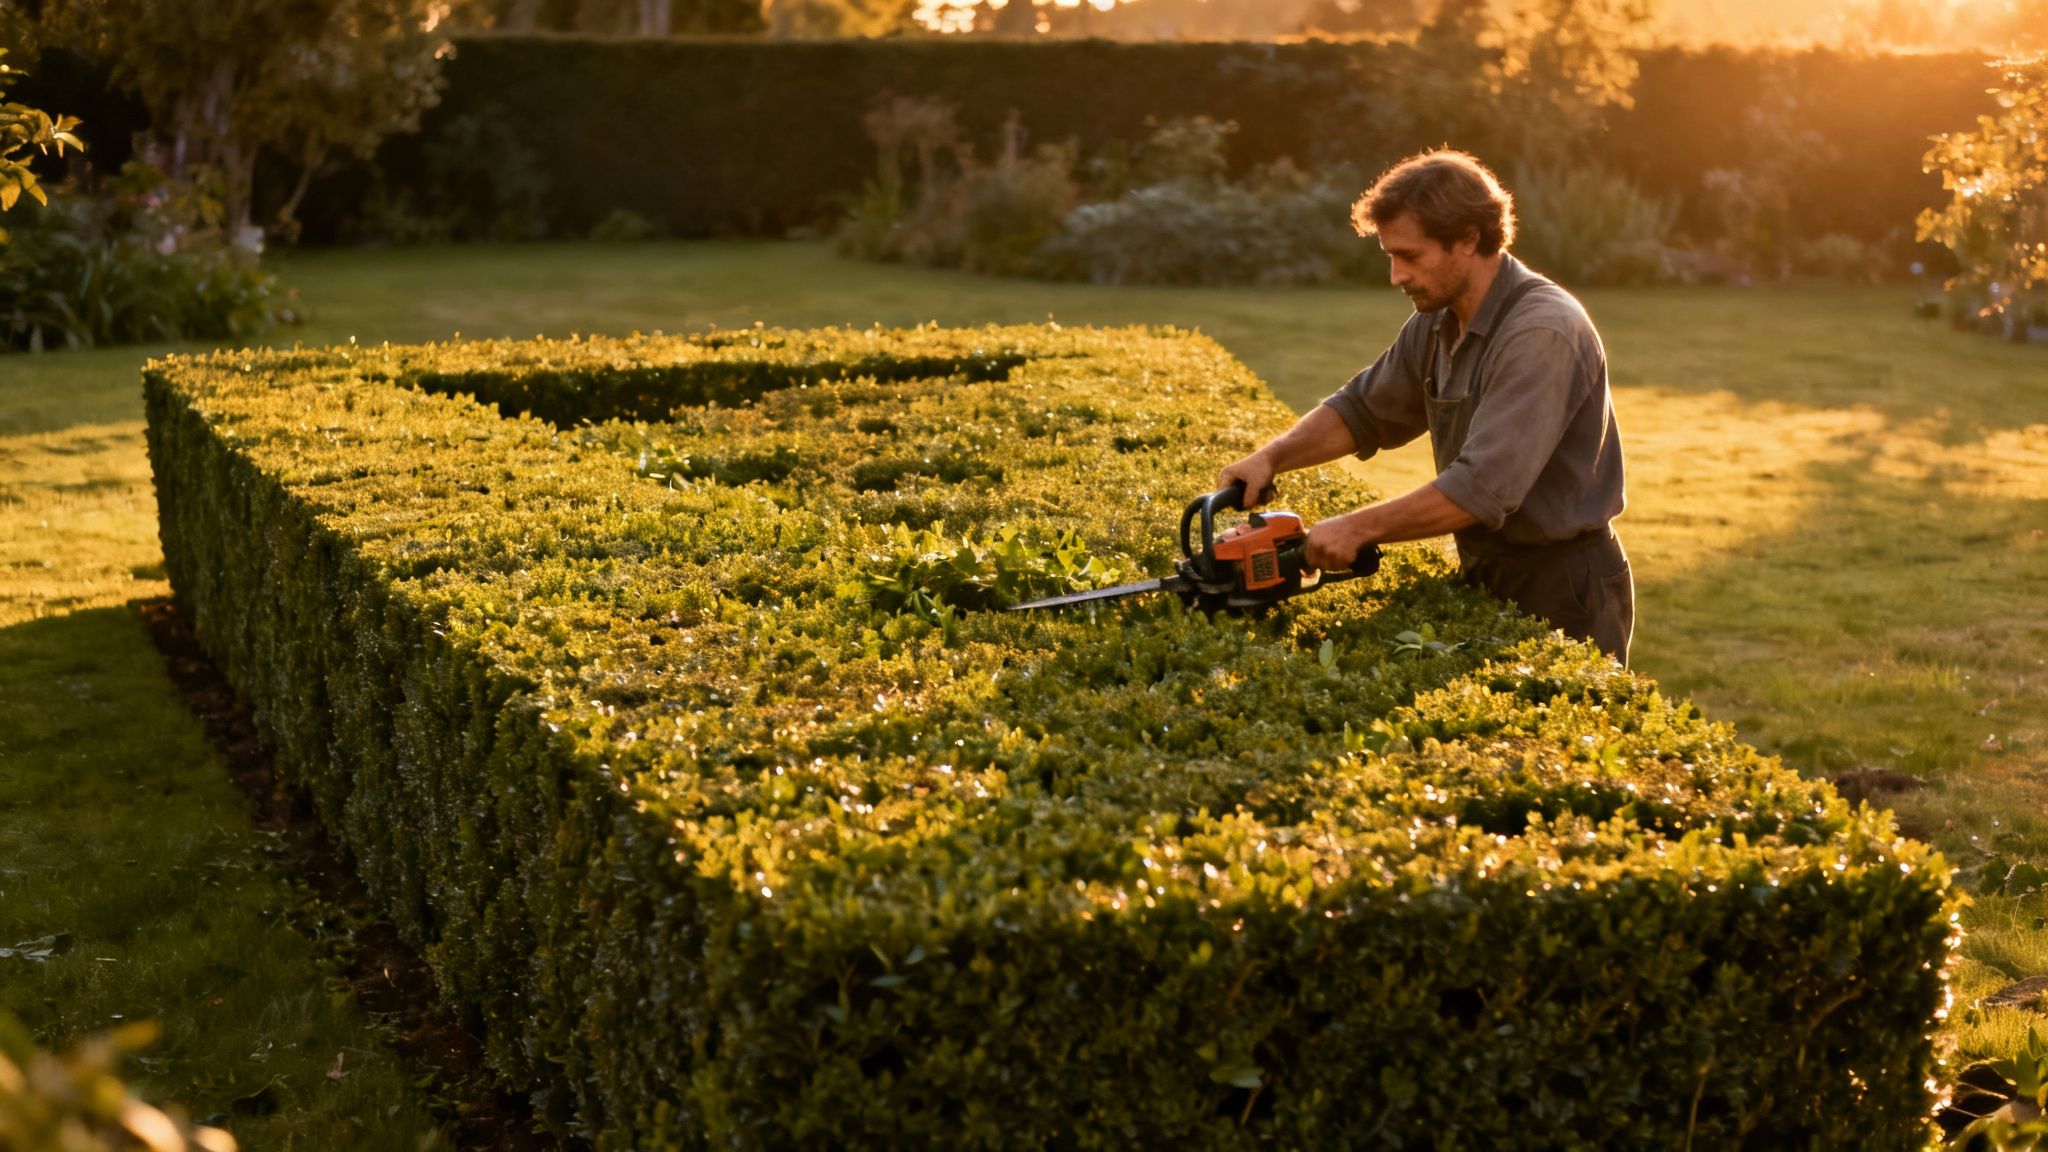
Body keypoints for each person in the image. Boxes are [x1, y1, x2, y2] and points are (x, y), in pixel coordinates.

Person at [1217, 148, 1634, 664]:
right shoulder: (1438, 320)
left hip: (1565, 583)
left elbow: (1481, 489)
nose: (1396, 275)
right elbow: (1364, 410)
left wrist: (1356, 528)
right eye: (1390, 256)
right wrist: (1271, 458)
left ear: (1468, 239)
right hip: (1487, 565)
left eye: (1410, 256)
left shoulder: (1542, 332)